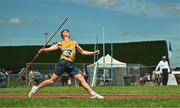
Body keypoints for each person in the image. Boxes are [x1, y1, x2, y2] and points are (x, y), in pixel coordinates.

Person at [28, 29, 104, 99]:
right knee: (52, 81)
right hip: (63, 62)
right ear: (63, 35)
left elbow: (82, 52)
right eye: (65, 31)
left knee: (81, 78)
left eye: (68, 31)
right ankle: (36, 88)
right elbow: (50, 49)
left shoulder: (74, 43)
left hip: (71, 64)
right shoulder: (61, 43)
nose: (67, 31)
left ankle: (92, 94)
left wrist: (94, 53)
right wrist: (43, 50)